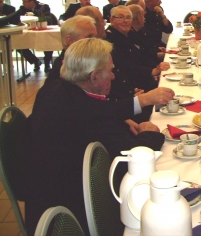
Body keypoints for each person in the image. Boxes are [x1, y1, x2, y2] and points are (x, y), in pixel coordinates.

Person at [25, 38, 174, 235]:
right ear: (94, 77)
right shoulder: (91, 117)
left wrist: (123, 119)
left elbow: (97, 111)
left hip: (41, 195)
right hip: (77, 210)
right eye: (110, 71)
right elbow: (129, 162)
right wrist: (150, 134)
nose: (113, 76)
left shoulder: (53, 89)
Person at [105, 5, 169, 101]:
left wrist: (153, 72)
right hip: (128, 92)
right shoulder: (109, 40)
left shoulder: (127, 35)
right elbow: (124, 67)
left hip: (139, 82)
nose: (125, 21)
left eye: (128, 17)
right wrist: (152, 72)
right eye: (120, 17)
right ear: (111, 19)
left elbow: (140, 58)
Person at [46, 15, 97, 80]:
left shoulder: (90, 60)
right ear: (70, 40)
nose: (95, 40)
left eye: (95, 36)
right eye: (89, 36)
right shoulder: (63, 69)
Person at [17, 0, 56, 71]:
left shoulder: (44, 7)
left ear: (32, 2)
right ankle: (35, 61)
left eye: (25, 2)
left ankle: (47, 63)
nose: (23, 4)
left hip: (43, 32)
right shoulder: (22, 9)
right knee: (19, 44)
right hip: (29, 33)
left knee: (48, 41)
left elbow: (47, 19)